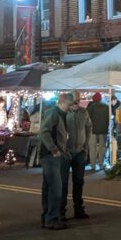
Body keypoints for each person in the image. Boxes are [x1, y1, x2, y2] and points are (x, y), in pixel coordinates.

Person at [39, 93, 70, 230]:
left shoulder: (58, 114)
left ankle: (48, 217)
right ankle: (51, 219)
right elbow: (44, 132)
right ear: (62, 102)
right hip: (50, 156)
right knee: (55, 189)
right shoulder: (54, 113)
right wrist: (54, 149)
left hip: (52, 156)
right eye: (69, 104)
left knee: (50, 188)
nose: (71, 106)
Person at [63, 93, 92, 220]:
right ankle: (61, 210)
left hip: (80, 151)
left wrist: (85, 147)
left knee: (79, 181)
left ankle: (78, 209)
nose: (76, 103)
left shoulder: (84, 112)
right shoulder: (64, 113)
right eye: (74, 101)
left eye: (78, 101)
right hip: (66, 151)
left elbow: (89, 128)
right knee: (63, 182)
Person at [86, 92, 110, 170]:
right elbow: (108, 119)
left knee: (92, 148)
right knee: (102, 148)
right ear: (100, 98)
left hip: (92, 131)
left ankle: (93, 165)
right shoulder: (106, 106)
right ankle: (101, 164)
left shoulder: (90, 107)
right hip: (103, 131)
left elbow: (87, 120)